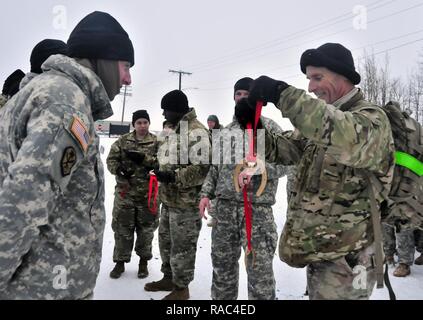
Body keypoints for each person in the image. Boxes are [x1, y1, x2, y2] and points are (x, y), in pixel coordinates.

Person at [0, 11, 134, 299]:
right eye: (125, 66)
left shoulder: (50, 90)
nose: (127, 78)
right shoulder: (65, 100)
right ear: (104, 59)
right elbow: (24, 199)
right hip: (43, 287)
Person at [245, 43, 395, 300]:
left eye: (318, 78)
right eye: (308, 79)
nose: (310, 87)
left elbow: (341, 134)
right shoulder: (319, 124)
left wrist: (282, 93)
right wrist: (251, 125)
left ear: (343, 76)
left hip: (350, 259)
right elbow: (286, 149)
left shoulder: (371, 119)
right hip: (322, 251)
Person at [199, 77, 289, 300]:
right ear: (233, 97)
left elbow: (288, 164)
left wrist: (259, 168)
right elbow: (215, 169)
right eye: (238, 94)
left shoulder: (270, 129)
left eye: (246, 94)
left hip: (257, 212)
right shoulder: (225, 131)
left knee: (260, 276)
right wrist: (205, 194)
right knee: (222, 272)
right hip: (224, 211)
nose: (242, 98)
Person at [144, 90, 211, 300]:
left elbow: (202, 169)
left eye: (166, 110)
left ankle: (182, 289)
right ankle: (169, 278)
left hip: (186, 203)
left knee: (182, 247)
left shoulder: (196, 132)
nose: (164, 114)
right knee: (165, 242)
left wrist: (172, 177)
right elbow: (164, 157)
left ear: (177, 110)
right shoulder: (172, 130)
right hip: (168, 200)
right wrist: (155, 167)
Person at [106, 110, 159, 279]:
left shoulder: (157, 142)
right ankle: (120, 263)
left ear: (149, 124)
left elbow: (162, 164)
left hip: (147, 195)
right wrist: (119, 170)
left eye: (145, 122)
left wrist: (144, 160)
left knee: (146, 231)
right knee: (122, 229)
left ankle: (143, 263)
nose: (142, 126)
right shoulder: (123, 141)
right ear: (133, 124)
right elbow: (111, 160)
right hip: (125, 193)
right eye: (139, 123)